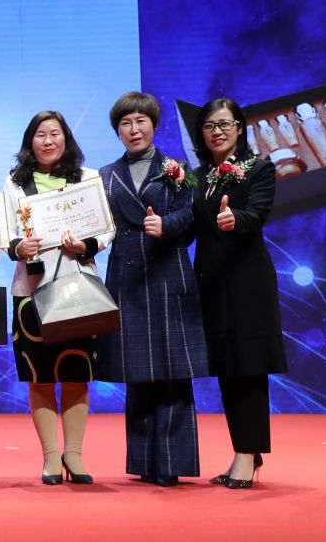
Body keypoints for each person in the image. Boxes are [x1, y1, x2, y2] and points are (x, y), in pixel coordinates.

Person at [96, 91, 209, 486]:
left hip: (168, 274)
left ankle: (172, 464)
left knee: (173, 373)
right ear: (118, 131)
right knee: (138, 372)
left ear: (154, 125)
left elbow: (191, 213)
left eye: (140, 121)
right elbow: (99, 225)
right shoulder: (105, 175)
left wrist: (167, 225)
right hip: (126, 279)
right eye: (125, 123)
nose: (134, 129)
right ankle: (145, 461)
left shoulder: (177, 169)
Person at [2, 111, 111, 485]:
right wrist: (19, 247)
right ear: (29, 142)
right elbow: (6, 233)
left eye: (55, 133)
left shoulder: (88, 178)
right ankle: (51, 457)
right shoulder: (15, 184)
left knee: (77, 374)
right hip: (31, 289)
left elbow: (107, 228)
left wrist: (87, 245)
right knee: (40, 376)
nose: (48, 141)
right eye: (40, 135)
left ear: (66, 138)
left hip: (79, 285)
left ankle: (74, 455)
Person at [190, 98, 287, 489]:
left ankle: (248, 454)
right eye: (209, 126)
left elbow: (258, 213)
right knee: (228, 369)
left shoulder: (259, 168)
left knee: (249, 367)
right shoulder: (198, 177)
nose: (217, 132)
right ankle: (242, 451)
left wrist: (236, 219)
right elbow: (191, 227)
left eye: (224, 124)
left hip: (248, 281)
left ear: (240, 127)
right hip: (211, 282)